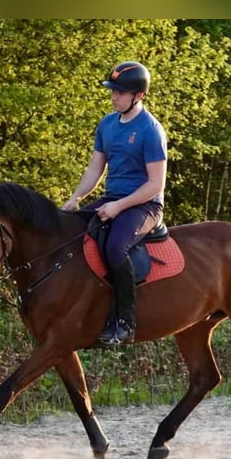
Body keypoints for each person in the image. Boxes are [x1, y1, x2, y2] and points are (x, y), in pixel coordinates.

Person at [61, 61, 168, 346]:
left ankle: (124, 321)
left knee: (115, 246)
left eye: (120, 92)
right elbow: (95, 170)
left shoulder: (150, 130)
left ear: (138, 95)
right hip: (112, 199)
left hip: (144, 205)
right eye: (113, 91)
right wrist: (75, 199)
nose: (114, 97)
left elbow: (155, 184)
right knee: (70, 232)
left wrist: (119, 207)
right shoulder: (107, 124)